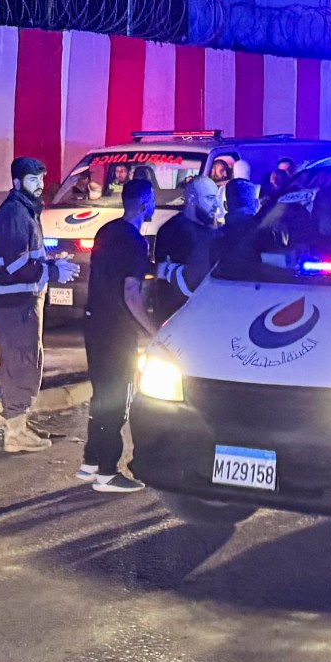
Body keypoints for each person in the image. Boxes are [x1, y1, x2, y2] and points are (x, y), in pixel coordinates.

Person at [0, 157, 77, 453]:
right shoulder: (15, 213)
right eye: (32, 180)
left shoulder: (24, 210)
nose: (39, 185)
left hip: (22, 301)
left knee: (26, 361)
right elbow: (14, 265)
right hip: (16, 304)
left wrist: (51, 264)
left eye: (41, 179)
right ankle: (14, 434)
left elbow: (26, 258)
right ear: (16, 182)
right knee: (20, 363)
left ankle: (19, 427)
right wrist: (52, 271)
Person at [78, 178, 157, 494]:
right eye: (152, 199)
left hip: (94, 323)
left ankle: (91, 461)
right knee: (117, 399)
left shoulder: (106, 231)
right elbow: (131, 293)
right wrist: (153, 330)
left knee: (100, 394)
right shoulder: (136, 242)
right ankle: (108, 472)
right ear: (145, 203)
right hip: (117, 331)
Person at [151, 174, 224, 325]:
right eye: (210, 198)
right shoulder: (171, 232)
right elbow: (162, 280)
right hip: (180, 316)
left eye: (217, 198)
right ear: (191, 199)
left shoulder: (216, 231)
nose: (216, 205)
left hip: (210, 315)